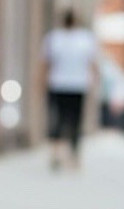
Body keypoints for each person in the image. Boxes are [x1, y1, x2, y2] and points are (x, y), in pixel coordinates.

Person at [40, 9, 99, 170]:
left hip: (61, 84)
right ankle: (70, 155)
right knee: (72, 121)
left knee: (58, 119)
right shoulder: (83, 39)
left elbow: (46, 64)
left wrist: (41, 83)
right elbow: (92, 64)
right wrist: (94, 82)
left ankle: (57, 154)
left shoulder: (54, 38)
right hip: (74, 85)